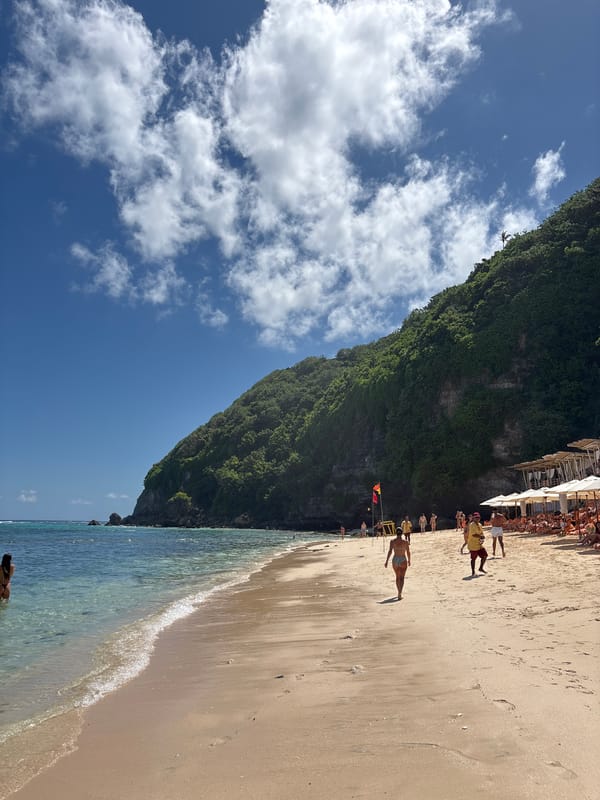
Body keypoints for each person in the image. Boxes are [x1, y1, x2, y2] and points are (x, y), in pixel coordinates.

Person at [385, 528, 411, 600]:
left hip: (395, 559)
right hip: (403, 559)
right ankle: (400, 593)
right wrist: (409, 560)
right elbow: (408, 552)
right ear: (402, 533)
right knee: (402, 578)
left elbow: (390, 551)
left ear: (396, 533)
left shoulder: (392, 541)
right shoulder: (405, 542)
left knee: (397, 577)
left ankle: (398, 591)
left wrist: (387, 561)